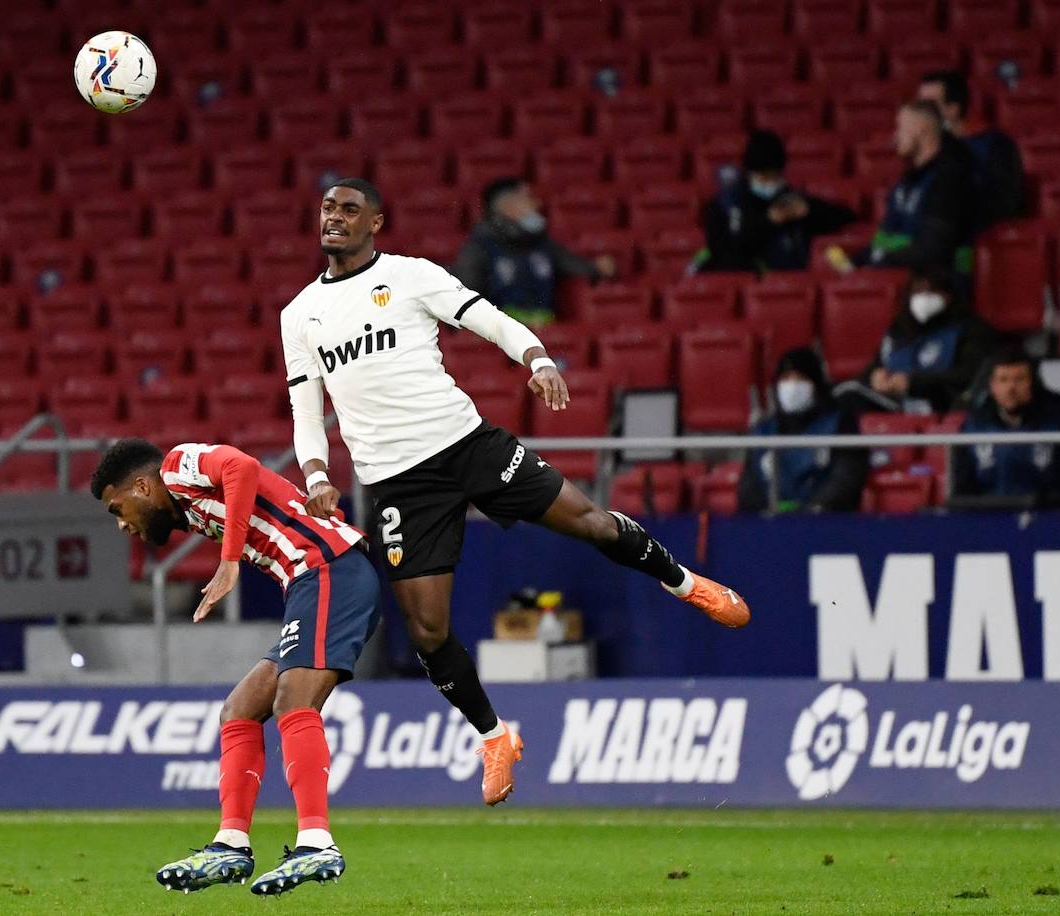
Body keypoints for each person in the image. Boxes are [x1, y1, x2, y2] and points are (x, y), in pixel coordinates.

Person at [282, 177, 751, 807]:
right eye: (327, 209)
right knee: (426, 631)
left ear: (375, 224)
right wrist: (315, 475)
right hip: (396, 483)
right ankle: (496, 736)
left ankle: (687, 584)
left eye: (349, 209)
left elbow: (488, 319)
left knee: (588, 521)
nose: (333, 218)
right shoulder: (299, 314)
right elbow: (306, 411)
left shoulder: (412, 275)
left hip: (465, 445)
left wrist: (537, 359)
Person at [90, 437, 379, 897]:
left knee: (293, 702)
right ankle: (231, 845)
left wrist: (229, 563)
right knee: (239, 710)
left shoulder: (176, 467)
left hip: (329, 570)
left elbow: (241, 466)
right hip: (311, 578)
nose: (122, 524)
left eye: (116, 508)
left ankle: (317, 843)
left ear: (142, 486)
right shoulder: (188, 510)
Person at [828, 101, 977, 282]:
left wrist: (879, 262)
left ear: (920, 129)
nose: (895, 136)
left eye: (900, 128)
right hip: (900, 278)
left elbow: (934, 249)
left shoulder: (950, 180)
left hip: (938, 289)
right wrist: (855, 263)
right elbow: (885, 239)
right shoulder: (907, 182)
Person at [451, 176, 616, 327]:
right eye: (528, 198)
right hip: (500, 338)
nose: (538, 204)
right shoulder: (479, 247)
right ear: (507, 206)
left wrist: (597, 268)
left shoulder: (542, 243)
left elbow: (572, 264)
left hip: (546, 333)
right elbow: (466, 302)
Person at [836, 266, 998, 414]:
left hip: (944, 406)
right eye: (918, 291)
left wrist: (914, 383)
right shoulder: (899, 330)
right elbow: (877, 365)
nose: (924, 298)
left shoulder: (970, 330)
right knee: (847, 394)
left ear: (948, 296)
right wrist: (874, 376)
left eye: (932, 291)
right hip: (896, 406)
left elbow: (970, 375)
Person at [695, 130, 857, 275]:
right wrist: (768, 221)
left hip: (789, 284)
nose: (769, 182)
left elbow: (847, 217)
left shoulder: (789, 200)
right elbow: (728, 249)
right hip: (745, 279)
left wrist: (810, 210)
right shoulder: (727, 205)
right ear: (749, 174)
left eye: (774, 176)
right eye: (762, 177)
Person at [738, 347, 868, 513]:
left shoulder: (841, 425)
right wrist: (764, 512)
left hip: (824, 524)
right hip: (769, 525)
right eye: (785, 379)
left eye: (800, 379)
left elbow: (846, 477)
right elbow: (748, 484)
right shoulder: (763, 430)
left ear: (816, 384)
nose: (792, 386)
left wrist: (812, 510)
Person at [953, 348, 1060, 506]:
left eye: (1019, 379)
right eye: (1003, 380)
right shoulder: (973, 427)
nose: (1011, 388)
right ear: (993, 386)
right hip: (988, 520)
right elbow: (962, 493)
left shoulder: (1057, 423)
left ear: (1032, 383)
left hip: (1046, 520)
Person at [918, 70, 1026, 228]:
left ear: (953, 109)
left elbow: (1007, 201)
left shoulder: (996, 145)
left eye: (928, 105)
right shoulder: (922, 149)